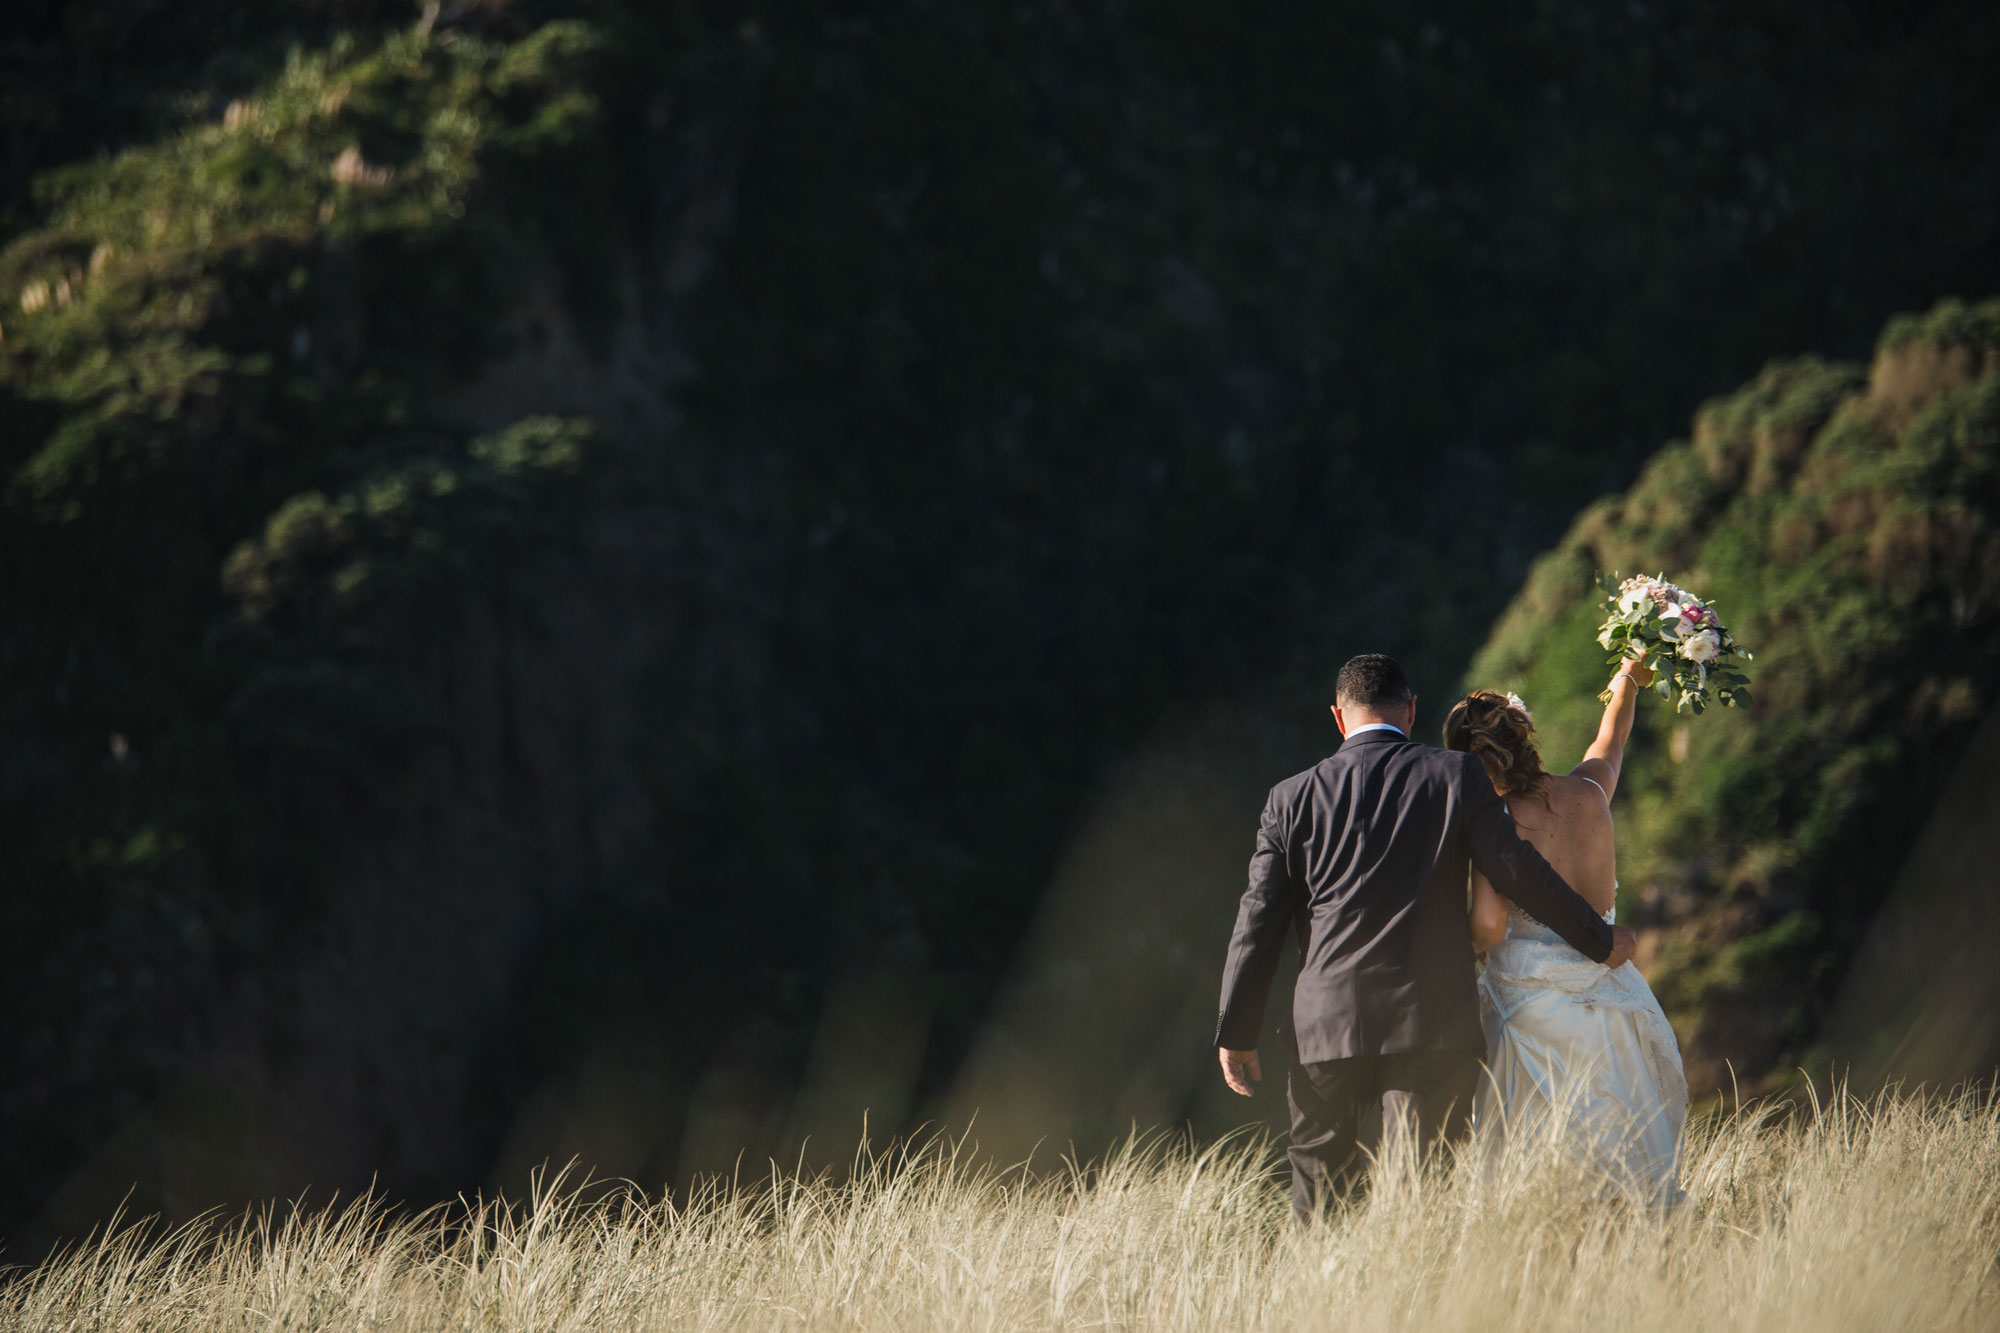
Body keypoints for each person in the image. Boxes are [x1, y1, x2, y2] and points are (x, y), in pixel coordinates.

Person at [1216, 654, 1637, 1222]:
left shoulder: (1289, 799)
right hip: (1431, 1024)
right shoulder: (1455, 776)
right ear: (1411, 711)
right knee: (1417, 1196)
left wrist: (1237, 1029)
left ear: (1339, 718)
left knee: (1316, 1199)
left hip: (1326, 1029)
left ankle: (1319, 1308)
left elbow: (1258, 920)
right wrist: (1598, 938)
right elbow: (1516, 870)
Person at [1448, 663, 1688, 1201]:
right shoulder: (1590, 794)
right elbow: (1613, 735)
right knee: (1629, 1160)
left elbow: (1489, 926)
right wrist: (1628, 676)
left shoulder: (1495, 823)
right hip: (1613, 996)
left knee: (1529, 1175)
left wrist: (1449, 949)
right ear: (1524, 737)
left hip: (1532, 1011)